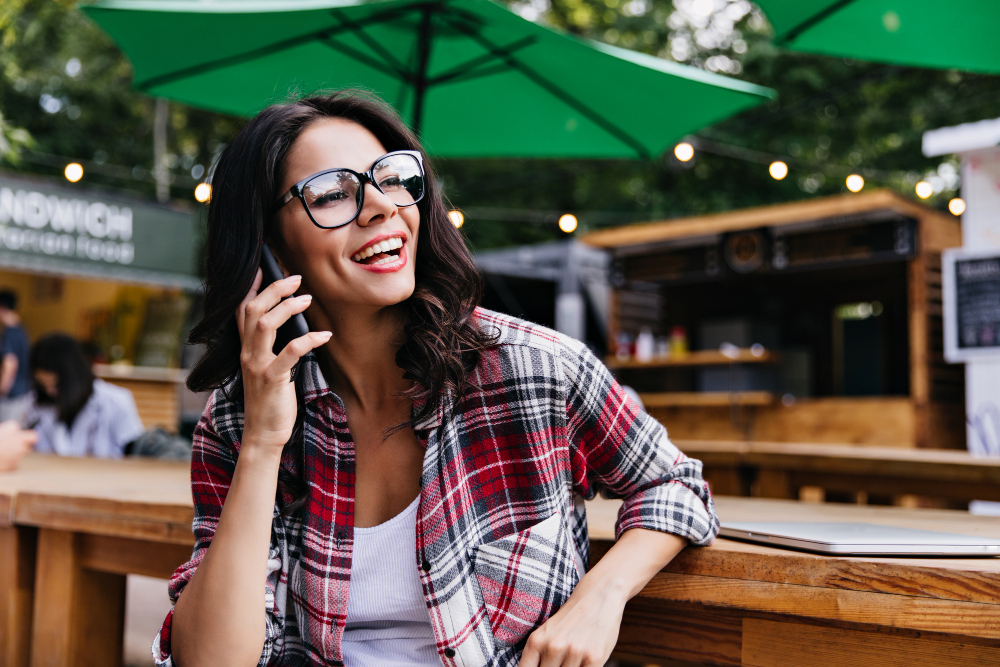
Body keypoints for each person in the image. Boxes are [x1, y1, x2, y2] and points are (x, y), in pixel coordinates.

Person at [156, 91, 718, 667]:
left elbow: (674, 485)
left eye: (392, 177)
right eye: (331, 193)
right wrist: (262, 445)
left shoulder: (534, 369)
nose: (380, 206)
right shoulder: (238, 419)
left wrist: (601, 597)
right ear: (267, 247)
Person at [26, 333, 145, 458]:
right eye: (43, 386)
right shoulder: (34, 405)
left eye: (56, 385)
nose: (50, 392)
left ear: (74, 377)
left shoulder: (115, 401)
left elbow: (136, 455)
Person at [0, 289, 32, 424]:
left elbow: (10, 364)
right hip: (23, 394)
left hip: (12, 397)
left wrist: (2, 390)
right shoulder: (21, 330)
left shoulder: (10, 333)